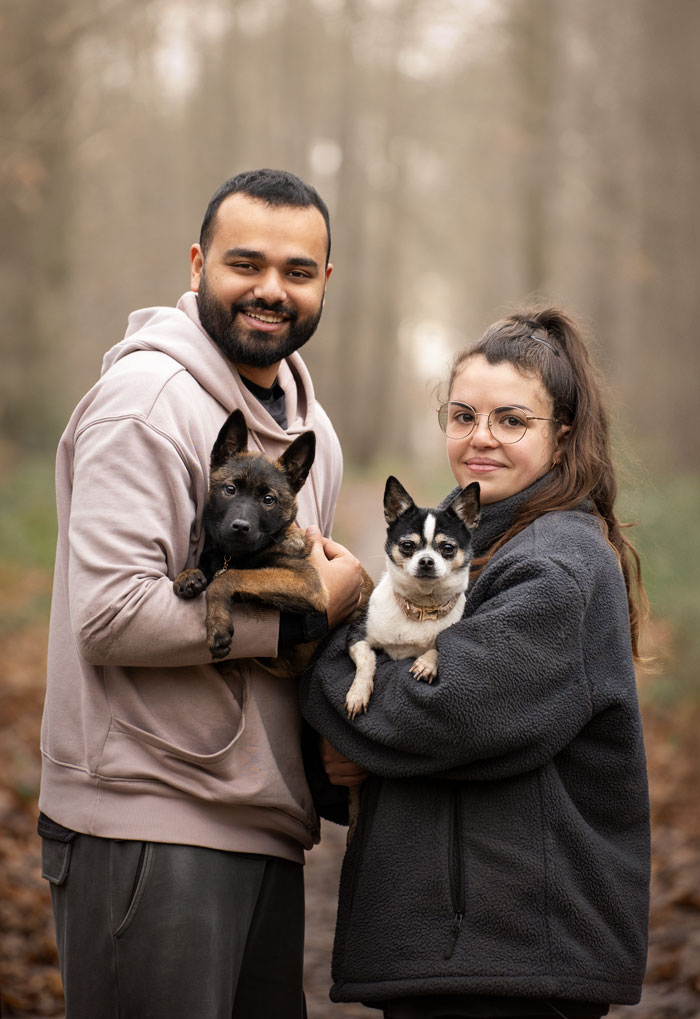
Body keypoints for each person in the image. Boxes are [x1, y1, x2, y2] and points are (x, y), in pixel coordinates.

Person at [38, 168, 365, 1019]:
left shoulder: (310, 433)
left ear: (325, 281)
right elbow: (109, 615)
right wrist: (308, 607)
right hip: (147, 819)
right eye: (244, 263)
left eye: (297, 271)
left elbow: (305, 601)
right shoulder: (146, 404)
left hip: (264, 818)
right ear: (196, 263)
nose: (270, 289)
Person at [301, 308, 651, 1019]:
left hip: (514, 955)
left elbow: (446, 710)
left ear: (562, 431)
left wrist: (333, 637)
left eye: (511, 419)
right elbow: (390, 730)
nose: (480, 436)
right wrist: (346, 753)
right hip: (461, 950)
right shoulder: (479, 544)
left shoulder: (560, 564)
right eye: (463, 415)